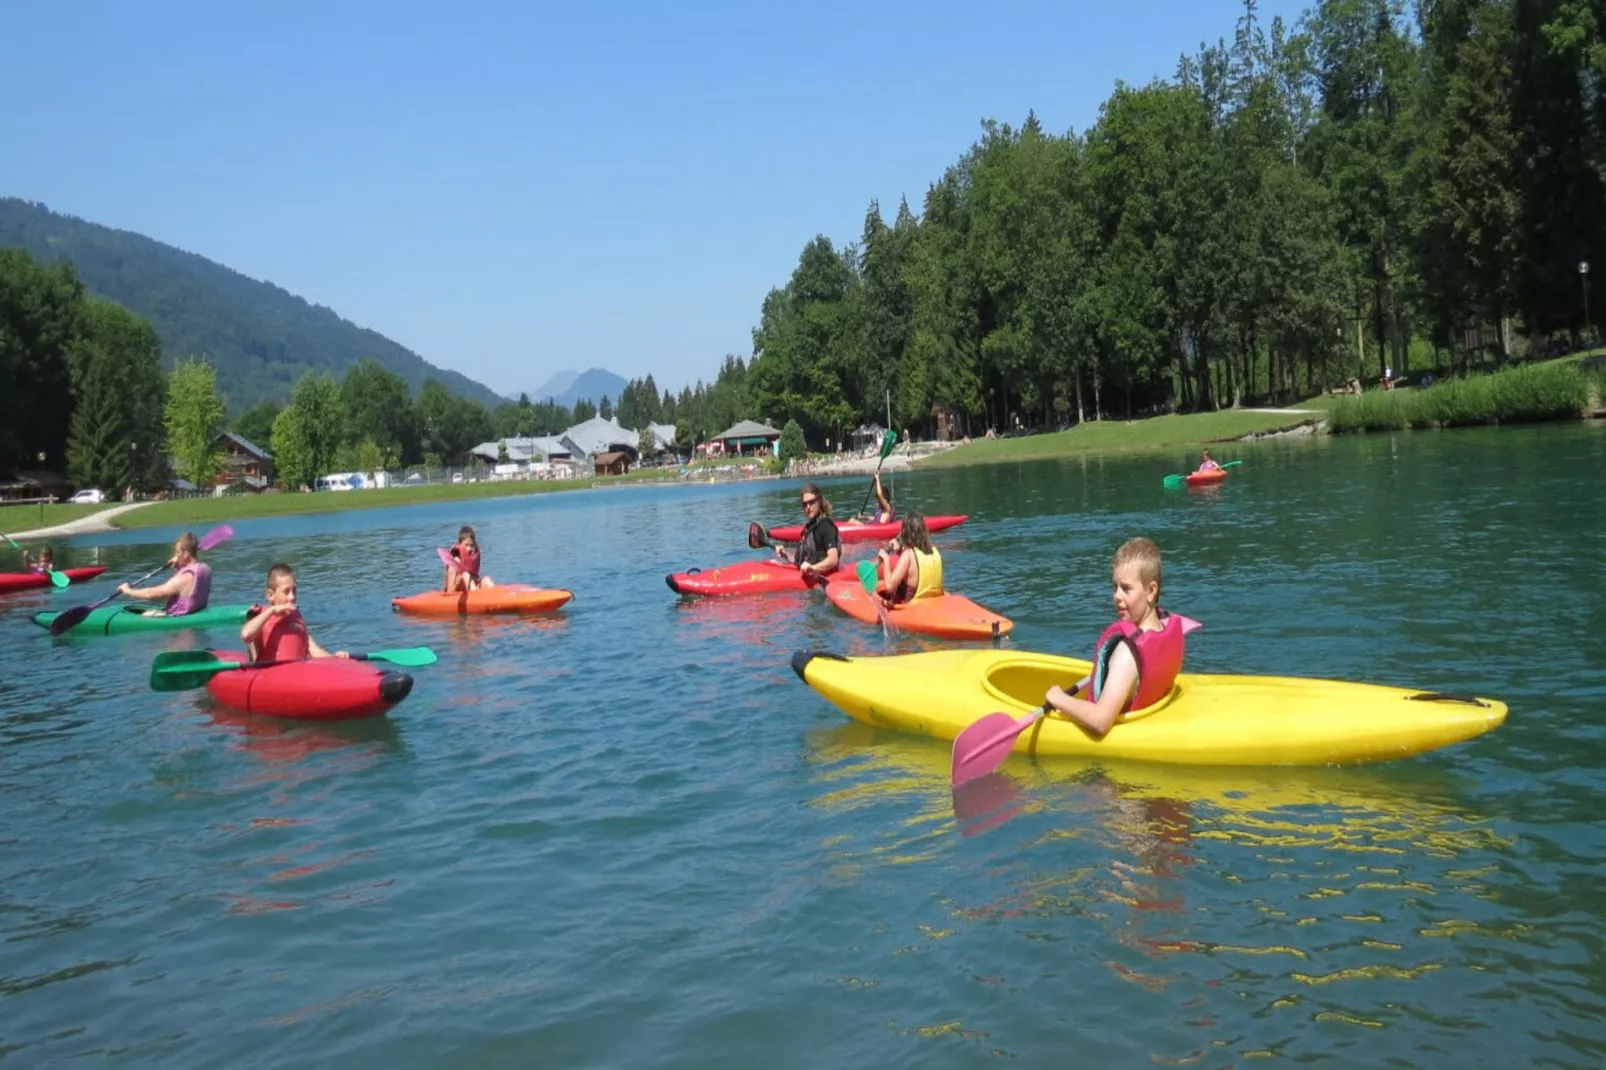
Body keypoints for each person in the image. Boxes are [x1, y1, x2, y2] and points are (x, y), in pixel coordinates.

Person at [1043, 537, 1195, 738]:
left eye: (1126, 588)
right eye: (1115, 587)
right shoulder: (1168, 625)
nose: (1117, 596)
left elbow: (1100, 721)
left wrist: (1058, 698)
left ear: (1151, 591)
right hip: (1152, 718)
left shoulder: (1126, 654)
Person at [241, 563, 347, 661]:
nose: (292, 597)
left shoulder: (297, 618)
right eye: (286, 592)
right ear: (270, 595)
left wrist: (335, 659)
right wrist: (272, 610)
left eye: (294, 591)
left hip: (296, 676)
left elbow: (315, 652)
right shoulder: (262, 616)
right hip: (269, 677)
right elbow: (246, 635)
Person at [117, 531, 211, 617]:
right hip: (194, 612)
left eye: (177, 552)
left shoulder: (185, 578)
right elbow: (187, 589)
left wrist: (128, 591)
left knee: (146, 615)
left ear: (186, 554)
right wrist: (179, 565)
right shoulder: (206, 569)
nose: (175, 555)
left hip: (180, 627)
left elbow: (152, 594)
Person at [874, 513, 943, 607]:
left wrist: (886, 559)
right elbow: (913, 571)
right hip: (932, 603)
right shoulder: (934, 551)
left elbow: (889, 587)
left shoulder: (908, 555)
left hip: (909, 608)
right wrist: (899, 551)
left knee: (875, 593)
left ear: (906, 533)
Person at [774, 483, 841, 579]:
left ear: (819, 501)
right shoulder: (810, 527)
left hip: (824, 577)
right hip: (810, 573)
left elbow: (833, 559)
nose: (808, 507)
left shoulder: (826, 526)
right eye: (805, 504)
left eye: (811, 502)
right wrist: (785, 555)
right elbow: (801, 559)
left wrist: (813, 568)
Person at [443, 525, 496, 593]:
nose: (469, 548)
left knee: (487, 580)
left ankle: (496, 600)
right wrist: (459, 579)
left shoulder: (473, 558)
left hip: (472, 589)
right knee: (466, 575)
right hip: (458, 594)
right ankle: (476, 596)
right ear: (460, 545)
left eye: (471, 545)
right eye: (466, 545)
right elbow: (450, 591)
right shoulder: (454, 562)